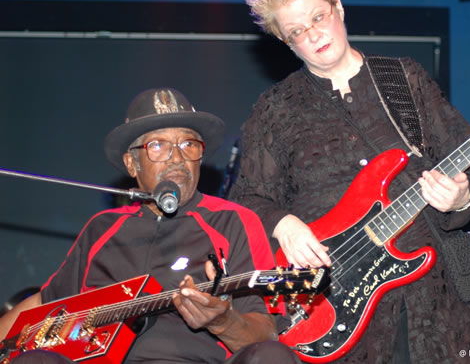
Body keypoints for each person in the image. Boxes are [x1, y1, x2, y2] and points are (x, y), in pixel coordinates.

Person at [229, 0, 470, 363]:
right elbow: (247, 197)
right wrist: (284, 225)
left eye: (318, 16)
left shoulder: (404, 78)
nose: (314, 34)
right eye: (297, 31)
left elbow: (469, 162)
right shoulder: (275, 109)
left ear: (337, 6)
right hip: (336, 301)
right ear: (286, 42)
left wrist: (460, 198)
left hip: (432, 294)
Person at [0, 88, 301, 364]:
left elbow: (265, 334)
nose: (178, 158)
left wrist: (222, 321)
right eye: (158, 145)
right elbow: (44, 302)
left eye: (187, 143)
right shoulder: (102, 227)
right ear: (132, 165)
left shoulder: (232, 219)